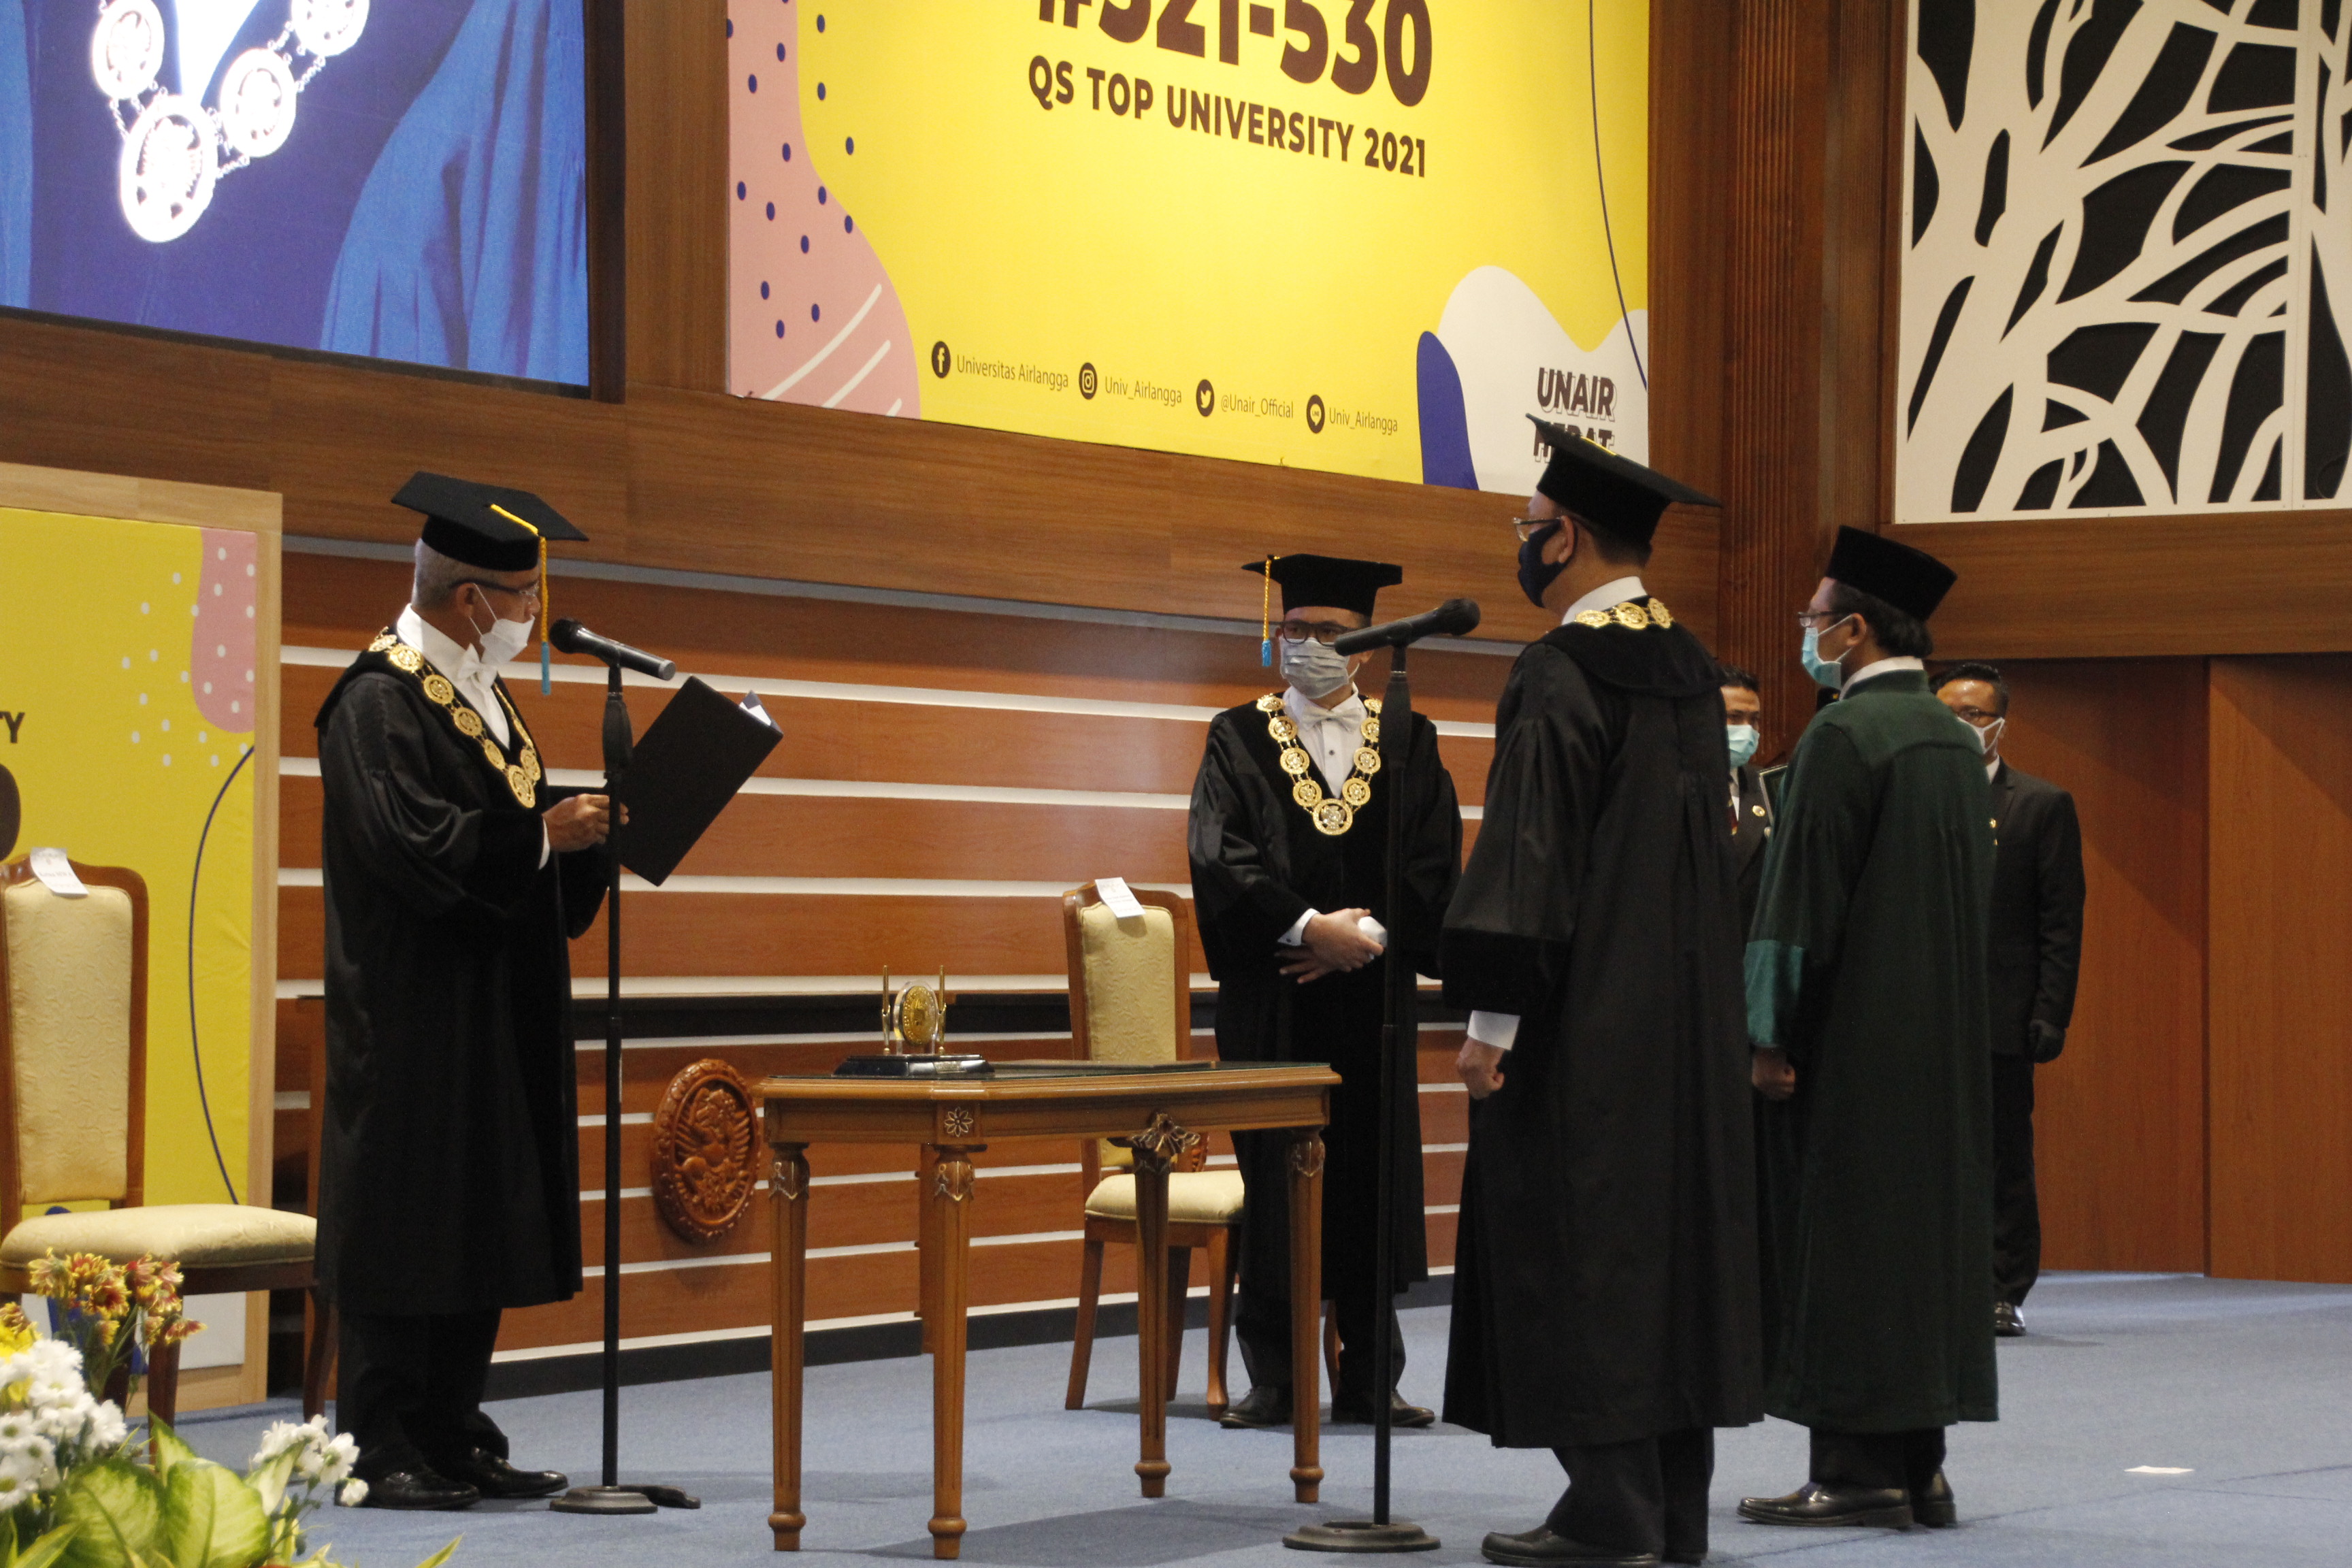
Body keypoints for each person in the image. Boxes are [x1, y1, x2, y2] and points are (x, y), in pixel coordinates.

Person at [1444, 421, 1761, 1568]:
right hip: (1685, 1034)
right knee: (1669, 1262)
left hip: (1579, 1032)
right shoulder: (1692, 670)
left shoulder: (1564, 669)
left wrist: (1488, 1025)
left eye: (1528, 527)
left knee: (1577, 1253)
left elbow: (1532, 859)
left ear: (1565, 534)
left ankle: (1609, 1511)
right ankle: (1669, 1512)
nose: (1521, 546)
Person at [316, 473, 610, 1509]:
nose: (533, 616)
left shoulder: (483, 700)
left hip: (493, 1010)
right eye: (522, 598)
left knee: (478, 1214)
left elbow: (523, 851)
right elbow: (415, 849)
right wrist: (541, 835)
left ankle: (453, 1428)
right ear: (470, 599)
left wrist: (588, 836)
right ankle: (382, 1437)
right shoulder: (375, 699)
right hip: (410, 1019)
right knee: (412, 1219)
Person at [1740, 527, 1995, 1533]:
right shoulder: (1951, 739)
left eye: (1813, 618)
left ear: (1851, 630)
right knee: (1921, 1256)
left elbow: (1795, 911)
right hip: (1939, 1051)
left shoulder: (1844, 738)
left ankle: (1850, 1470)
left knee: (1843, 1253)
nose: (1806, 633)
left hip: (1852, 1049)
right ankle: (1920, 1467)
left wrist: (1769, 1035)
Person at [1188, 553, 1463, 1431]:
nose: (1309, 644)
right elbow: (1218, 853)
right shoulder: (1235, 734)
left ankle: (1372, 1378)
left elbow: (1432, 859)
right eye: (1296, 628)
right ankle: (1276, 1375)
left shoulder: (1409, 737)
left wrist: (1365, 938)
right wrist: (1309, 929)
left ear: (1371, 649)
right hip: (1274, 996)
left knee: (1372, 1179)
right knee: (1275, 1178)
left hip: (1370, 1001)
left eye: (1331, 633)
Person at [1934, 662, 2084, 1337]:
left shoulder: (2040, 804)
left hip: (2000, 1014)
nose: (1961, 727)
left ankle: (2002, 1289)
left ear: (2000, 723)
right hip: (1916, 1013)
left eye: (1973, 715)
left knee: (2001, 1159)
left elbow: (2060, 920)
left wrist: (2049, 1012)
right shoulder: (1910, 796)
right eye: (1948, 714)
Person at [1720, 666, 1774, 929]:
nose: (1748, 730)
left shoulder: (1770, 785)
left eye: (1754, 720)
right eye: (1734, 717)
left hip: (1750, 948)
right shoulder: (1667, 787)